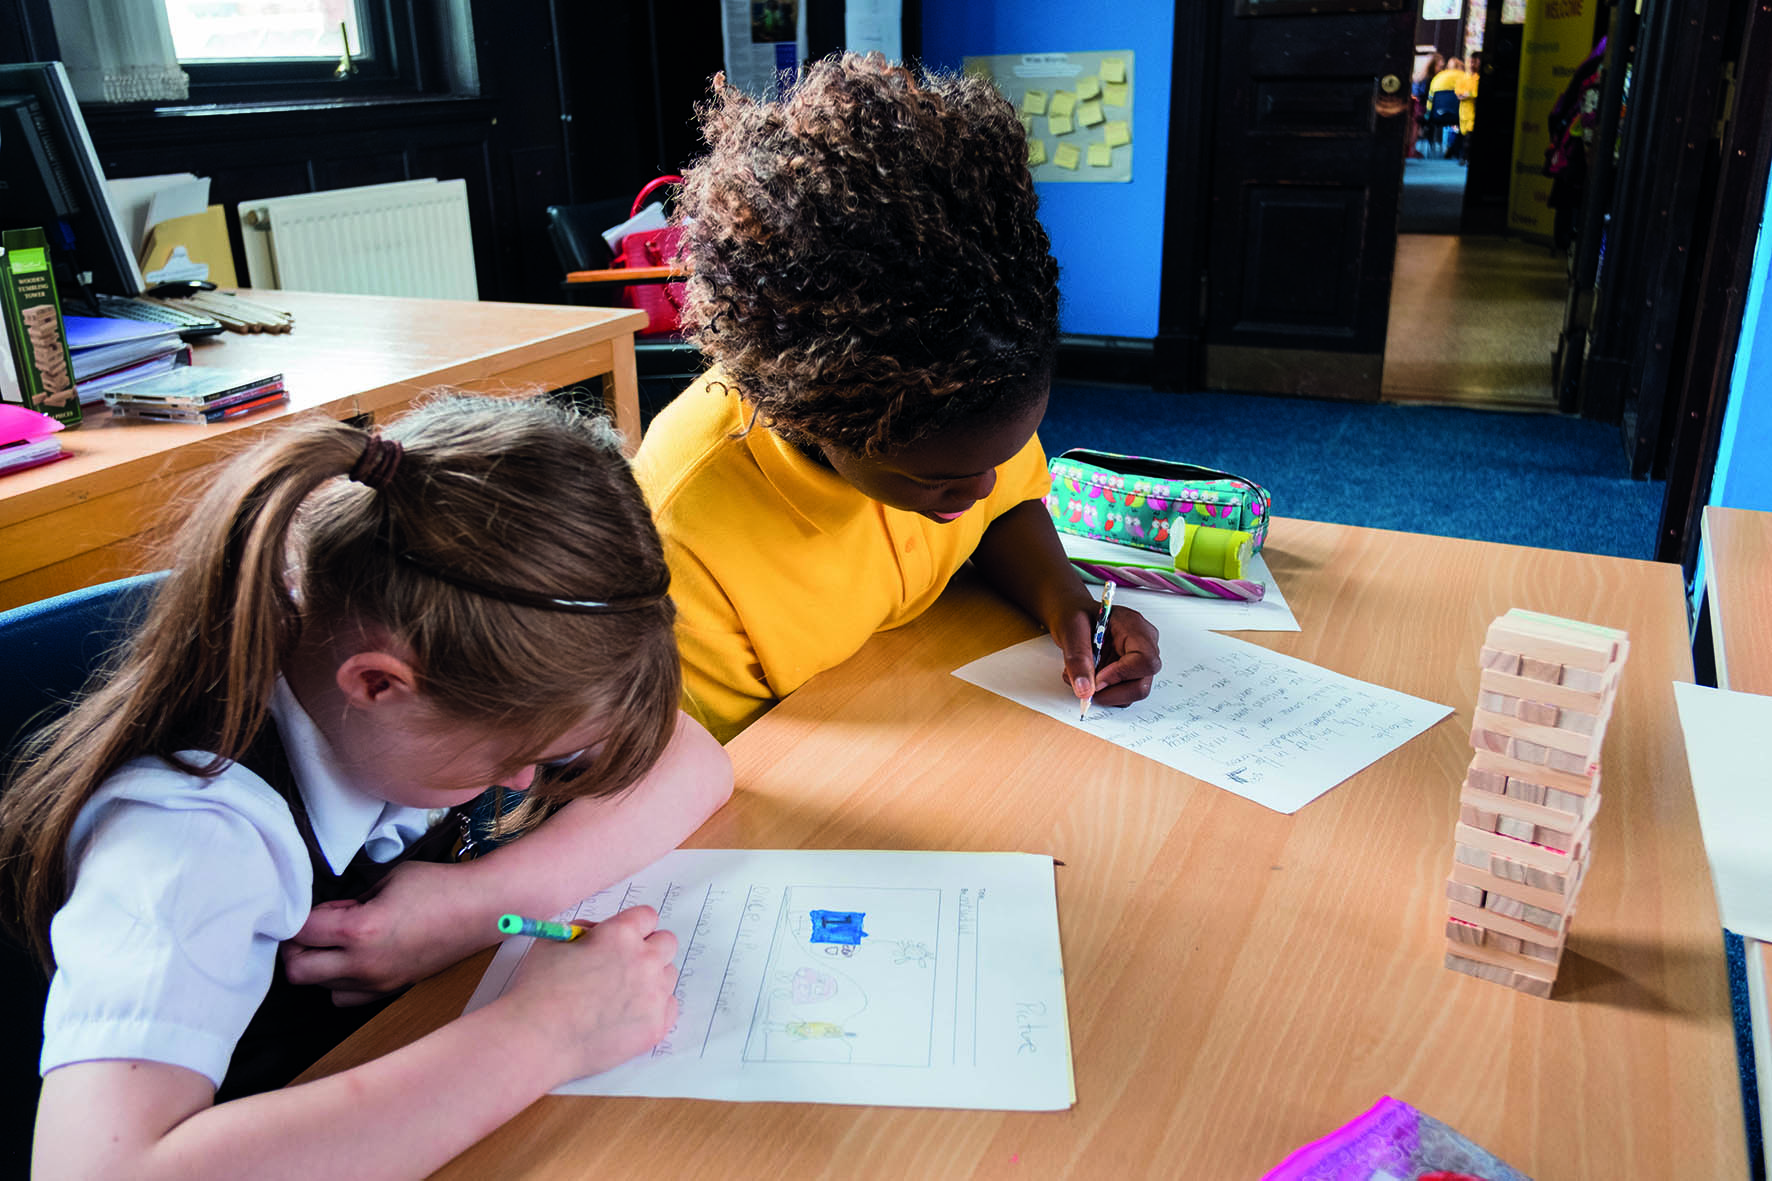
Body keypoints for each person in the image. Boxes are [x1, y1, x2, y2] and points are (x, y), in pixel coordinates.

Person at [2, 394, 733, 1179]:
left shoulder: (390, 682)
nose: (525, 782)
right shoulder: (192, 840)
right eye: (516, 758)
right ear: (380, 683)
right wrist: (542, 1032)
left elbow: (691, 760)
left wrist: (469, 907)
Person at [633, 53, 1162, 743]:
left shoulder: (966, 400)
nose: (983, 485)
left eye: (1002, 455)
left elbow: (1001, 509)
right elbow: (717, 772)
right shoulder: (686, 551)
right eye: (940, 482)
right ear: (809, 414)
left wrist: (1067, 601)